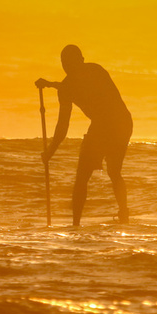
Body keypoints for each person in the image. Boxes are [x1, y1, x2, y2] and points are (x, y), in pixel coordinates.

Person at [35, 45, 133, 226]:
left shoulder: (95, 71)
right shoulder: (66, 88)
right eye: (65, 64)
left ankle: (122, 215)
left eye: (72, 63)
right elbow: (62, 126)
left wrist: (53, 84)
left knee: (112, 171)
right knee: (88, 175)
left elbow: (85, 89)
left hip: (119, 122)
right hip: (111, 124)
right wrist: (50, 152)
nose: (69, 68)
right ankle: (76, 225)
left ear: (81, 60)